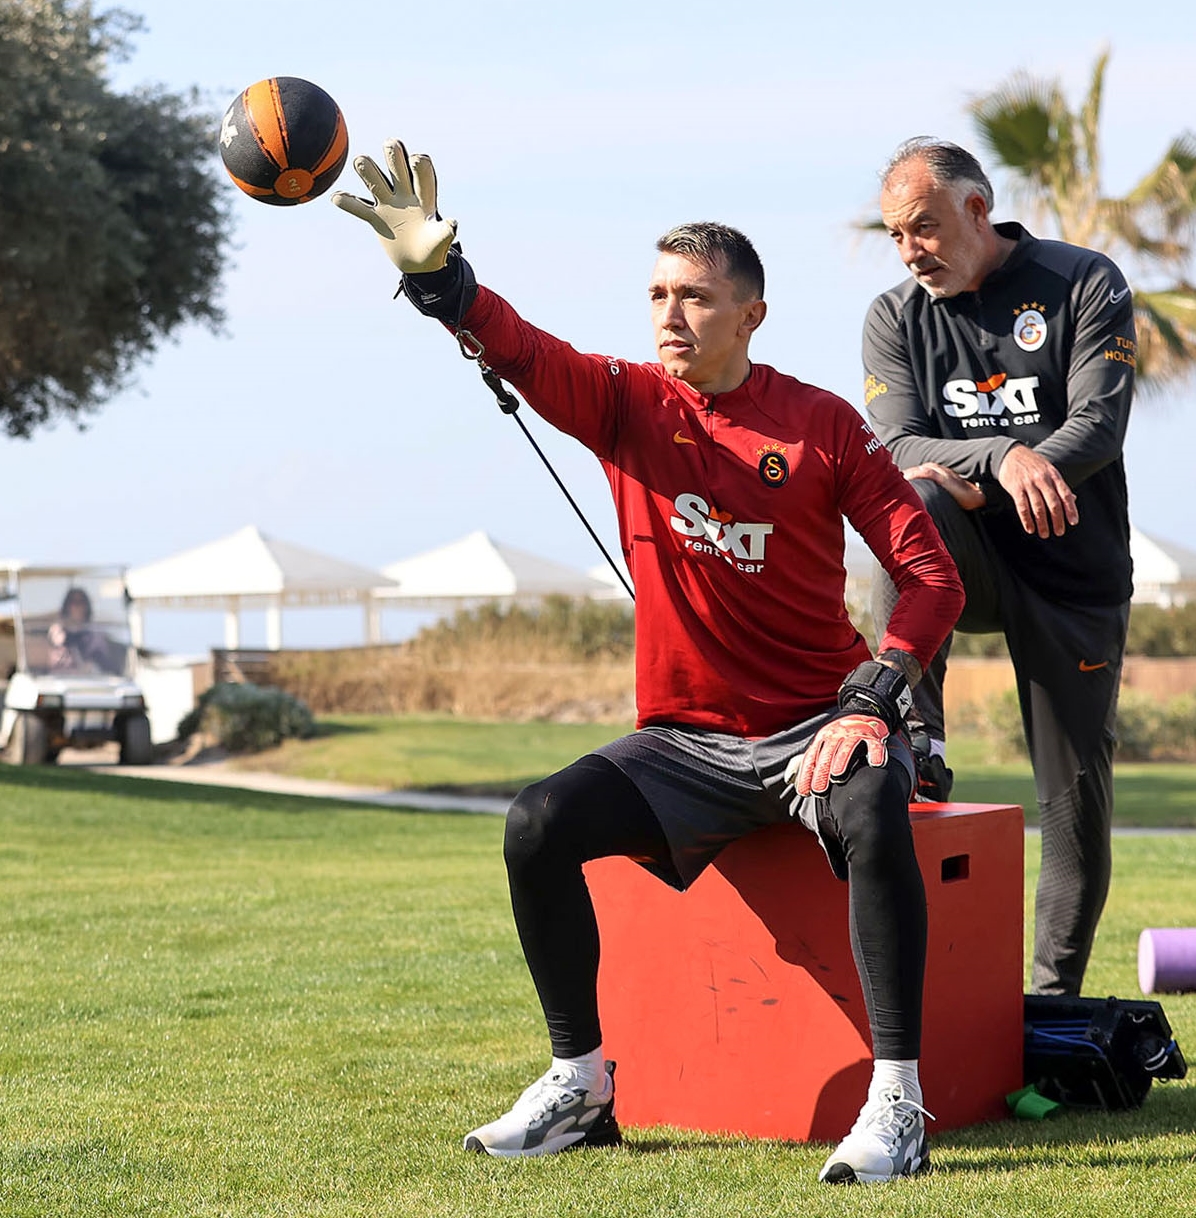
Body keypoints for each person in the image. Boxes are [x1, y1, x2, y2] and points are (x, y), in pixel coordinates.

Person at [333, 140, 964, 1184]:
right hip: (682, 744)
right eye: (658, 294)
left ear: (749, 316)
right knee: (536, 823)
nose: (670, 315)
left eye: (697, 298)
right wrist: (440, 282)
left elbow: (927, 573)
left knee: (868, 803)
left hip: (818, 724)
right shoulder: (625, 402)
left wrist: (875, 698)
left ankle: (895, 1103)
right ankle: (579, 1085)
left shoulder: (820, 425)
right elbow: (519, 348)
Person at [863, 137, 1136, 997]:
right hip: (961, 562)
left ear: (978, 210)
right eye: (895, 235)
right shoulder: (894, 317)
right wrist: (1004, 460)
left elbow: (1100, 423)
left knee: (1074, 808)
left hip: (1074, 581)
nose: (910, 251)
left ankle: (1051, 1009)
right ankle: (919, 737)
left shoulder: (1086, 282)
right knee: (915, 498)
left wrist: (1002, 465)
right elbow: (899, 444)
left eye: (925, 228)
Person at [46, 587, 117, 674]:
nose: (77, 607)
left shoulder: (95, 637)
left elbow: (103, 663)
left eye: (81, 603)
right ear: (67, 607)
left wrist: (91, 665)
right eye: (73, 602)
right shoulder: (57, 634)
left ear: (86, 607)